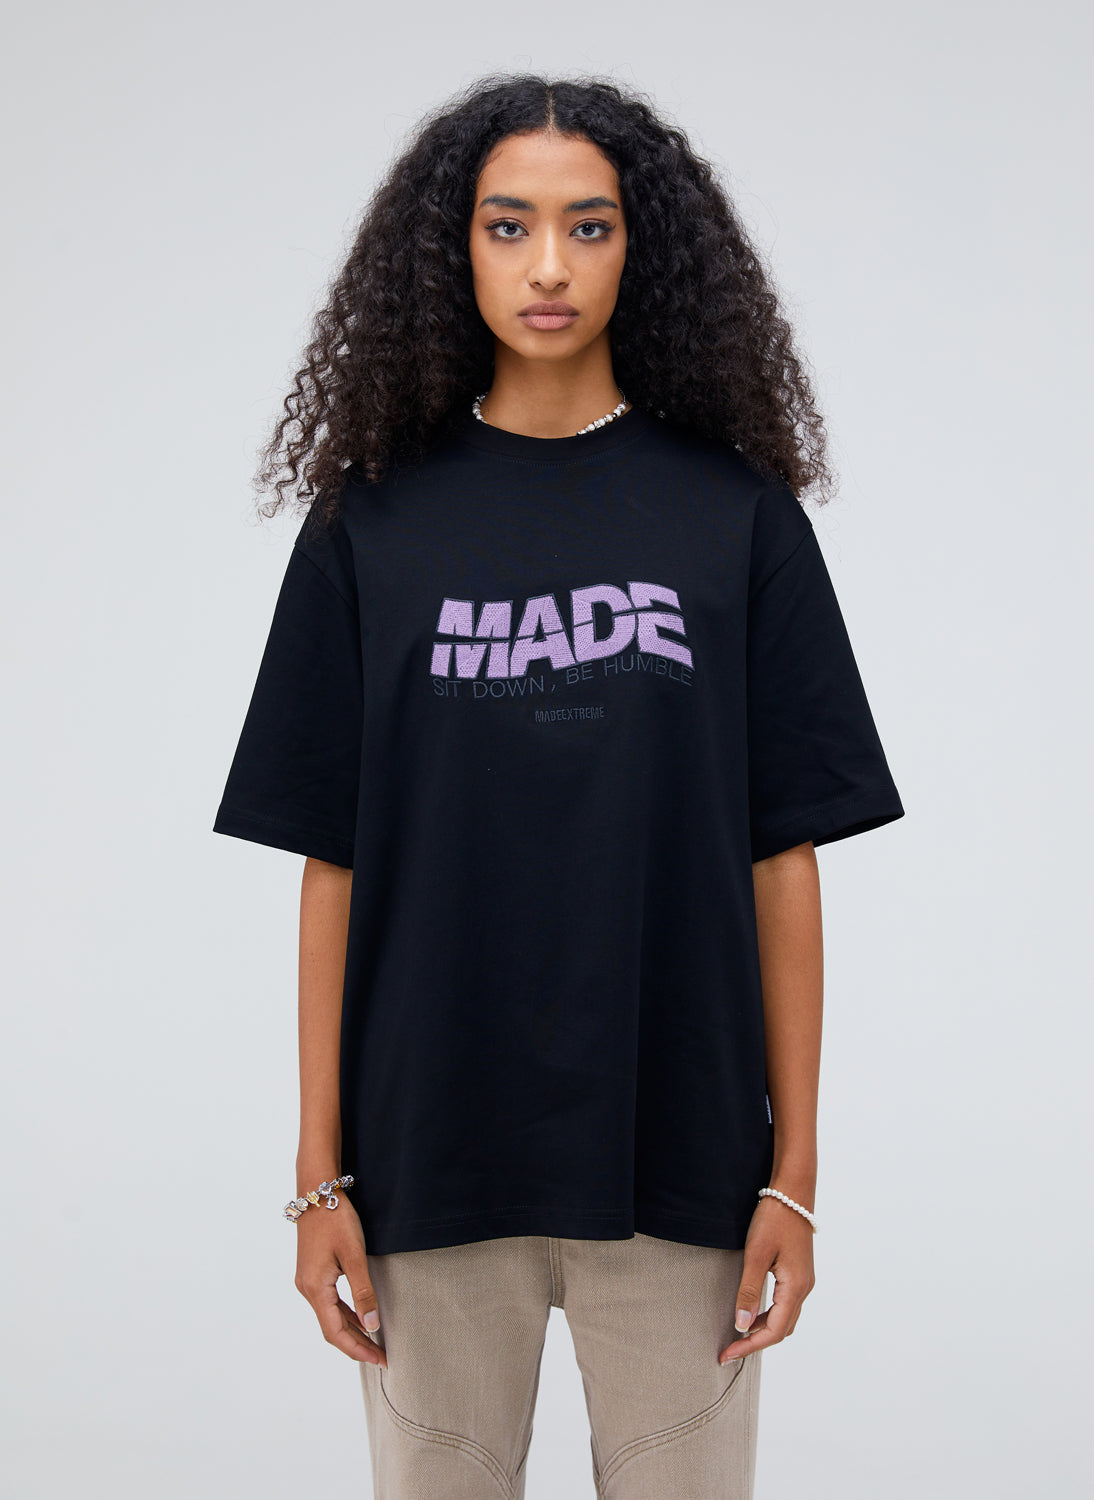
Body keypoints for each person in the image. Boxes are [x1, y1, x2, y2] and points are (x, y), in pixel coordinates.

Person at [212, 73, 905, 1499]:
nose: (547, 266)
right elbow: (332, 861)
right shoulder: (370, 523)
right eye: (507, 225)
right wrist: (318, 1175)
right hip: (426, 1156)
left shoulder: (735, 516)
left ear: (642, 250)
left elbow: (783, 856)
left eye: (588, 226)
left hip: (682, 1158)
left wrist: (793, 1174)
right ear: (450, 250)